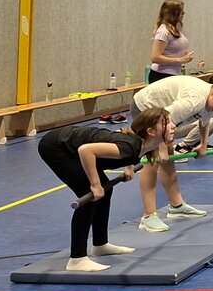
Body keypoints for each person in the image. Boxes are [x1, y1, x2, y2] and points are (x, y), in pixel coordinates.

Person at [38, 108, 167, 270]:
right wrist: (95, 184)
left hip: (71, 145)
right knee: (90, 195)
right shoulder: (132, 146)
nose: (173, 126)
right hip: (56, 146)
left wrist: (128, 165)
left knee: (106, 191)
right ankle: (77, 259)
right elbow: (86, 151)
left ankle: (100, 244)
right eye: (166, 123)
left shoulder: (141, 145)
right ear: (151, 131)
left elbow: (121, 141)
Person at [133, 75, 213, 232]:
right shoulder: (194, 100)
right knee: (153, 159)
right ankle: (148, 216)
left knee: (167, 159)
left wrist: (203, 144)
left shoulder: (211, 101)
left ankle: (176, 206)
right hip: (144, 107)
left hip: (163, 116)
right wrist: (161, 148)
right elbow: (162, 119)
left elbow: (205, 122)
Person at [148, 0, 194, 83]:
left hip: (173, 75)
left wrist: (183, 55)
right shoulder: (163, 31)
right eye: (181, 10)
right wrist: (180, 59)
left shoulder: (174, 30)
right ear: (174, 13)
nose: (184, 13)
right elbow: (155, 57)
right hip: (161, 75)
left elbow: (171, 52)